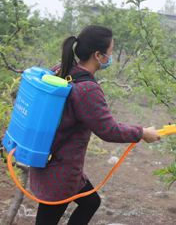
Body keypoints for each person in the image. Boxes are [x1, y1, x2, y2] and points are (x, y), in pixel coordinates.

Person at [29, 25, 160, 225]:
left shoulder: (62, 69)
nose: (111, 56)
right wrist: (142, 132)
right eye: (110, 52)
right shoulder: (87, 89)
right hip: (60, 172)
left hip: (49, 162)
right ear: (98, 55)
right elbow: (109, 130)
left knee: (91, 202)